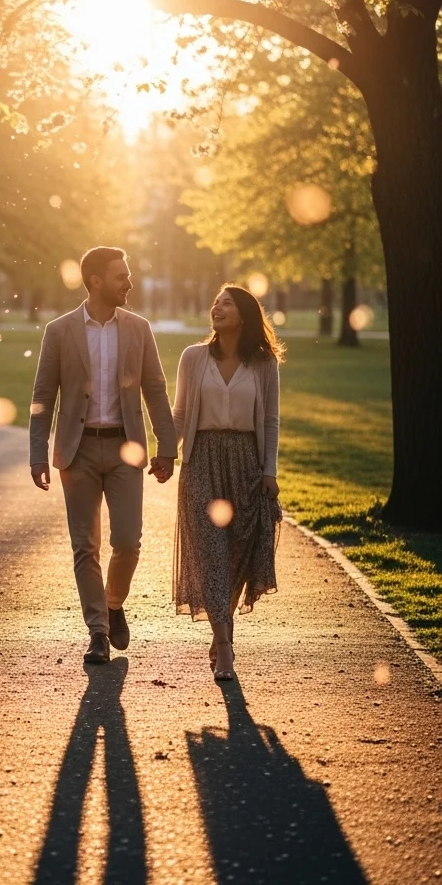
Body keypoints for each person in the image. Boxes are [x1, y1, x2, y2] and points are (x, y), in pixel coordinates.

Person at [29, 246, 177, 664]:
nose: (128, 283)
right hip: (77, 452)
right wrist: (38, 454)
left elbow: (155, 390)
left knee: (128, 541)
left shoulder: (138, 328)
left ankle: (113, 605)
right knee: (85, 546)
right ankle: (97, 630)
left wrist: (167, 447)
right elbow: (43, 396)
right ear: (95, 281)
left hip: (126, 448)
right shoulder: (59, 332)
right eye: (120, 276)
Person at [171, 284, 284, 681]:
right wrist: (165, 449)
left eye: (227, 303)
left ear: (245, 315)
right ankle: (225, 648)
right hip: (202, 461)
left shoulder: (264, 363)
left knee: (237, 554)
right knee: (211, 555)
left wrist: (268, 471)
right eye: (215, 301)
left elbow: (269, 420)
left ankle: (222, 629)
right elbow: (181, 413)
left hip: (246, 465)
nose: (217, 307)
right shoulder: (193, 357)